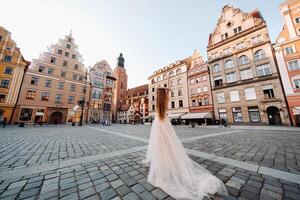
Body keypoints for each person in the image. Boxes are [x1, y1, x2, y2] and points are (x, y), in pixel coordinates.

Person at [142, 88, 227, 200]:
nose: (168, 97)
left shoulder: (158, 104)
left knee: (160, 146)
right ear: (164, 97)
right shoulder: (162, 104)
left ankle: (163, 164)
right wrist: (166, 91)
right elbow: (162, 95)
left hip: (159, 123)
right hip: (162, 123)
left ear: (158, 96)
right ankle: (166, 163)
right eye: (167, 96)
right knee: (167, 146)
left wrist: (165, 90)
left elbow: (160, 94)